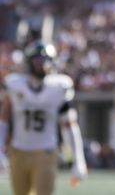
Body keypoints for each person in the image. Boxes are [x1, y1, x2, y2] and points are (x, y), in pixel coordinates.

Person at [0, 41, 87, 195]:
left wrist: (78, 159)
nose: (43, 65)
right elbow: (3, 120)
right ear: (29, 62)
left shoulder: (59, 86)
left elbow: (69, 124)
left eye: (46, 61)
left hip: (46, 151)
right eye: (38, 61)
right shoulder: (15, 83)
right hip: (18, 151)